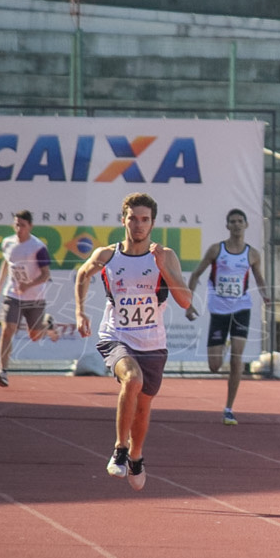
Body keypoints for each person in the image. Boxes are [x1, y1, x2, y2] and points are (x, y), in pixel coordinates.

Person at [74, 192, 192, 491]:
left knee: (143, 406)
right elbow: (82, 274)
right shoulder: (107, 255)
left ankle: (137, 456)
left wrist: (163, 266)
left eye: (144, 220)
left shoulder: (166, 256)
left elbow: (185, 300)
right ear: (123, 219)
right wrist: (79, 312)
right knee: (132, 379)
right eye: (133, 219)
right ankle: (120, 449)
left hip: (152, 342)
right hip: (116, 336)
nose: (138, 225)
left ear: (152, 223)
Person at [185, 208, 269, 426]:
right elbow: (196, 274)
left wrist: (265, 295)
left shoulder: (252, 254)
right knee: (214, 365)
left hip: (241, 308)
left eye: (240, 221)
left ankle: (229, 408)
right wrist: (188, 302)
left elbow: (259, 278)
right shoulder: (216, 250)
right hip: (219, 310)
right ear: (227, 225)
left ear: (246, 225)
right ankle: (224, 344)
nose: (237, 225)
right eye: (233, 221)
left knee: (236, 359)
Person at [0, 210, 59, 387]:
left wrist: (28, 285)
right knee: (7, 330)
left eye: (22, 225)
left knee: (35, 335)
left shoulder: (37, 247)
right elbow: (6, 262)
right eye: (16, 224)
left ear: (30, 226)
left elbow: (45, 275)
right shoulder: (7, 243)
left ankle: (47, 323)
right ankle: (2, 371)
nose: (18, 228)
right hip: (12, 294)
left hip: (35, 297)